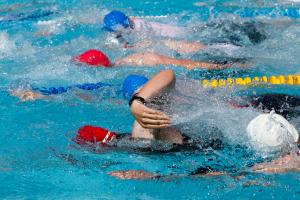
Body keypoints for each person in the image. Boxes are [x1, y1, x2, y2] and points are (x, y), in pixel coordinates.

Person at [74, 69, 223, 152]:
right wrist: (138, 102)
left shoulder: (152, 106)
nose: (155, 99)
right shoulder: (144, 123)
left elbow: (167, 74)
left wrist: (137, 102)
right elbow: (167, 75)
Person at [102, 10, 267, 55]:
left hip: (184, 35)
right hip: (183, 32)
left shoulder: (139, 27)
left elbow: (142, 44)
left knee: (218, 36)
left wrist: (125, 48)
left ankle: (254, 30)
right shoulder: (129, 23)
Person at [73, 49, 229, 70]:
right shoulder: (121, 63)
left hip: (205, 61)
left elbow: (184, 64)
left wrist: (218, 67)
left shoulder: (145, 60)